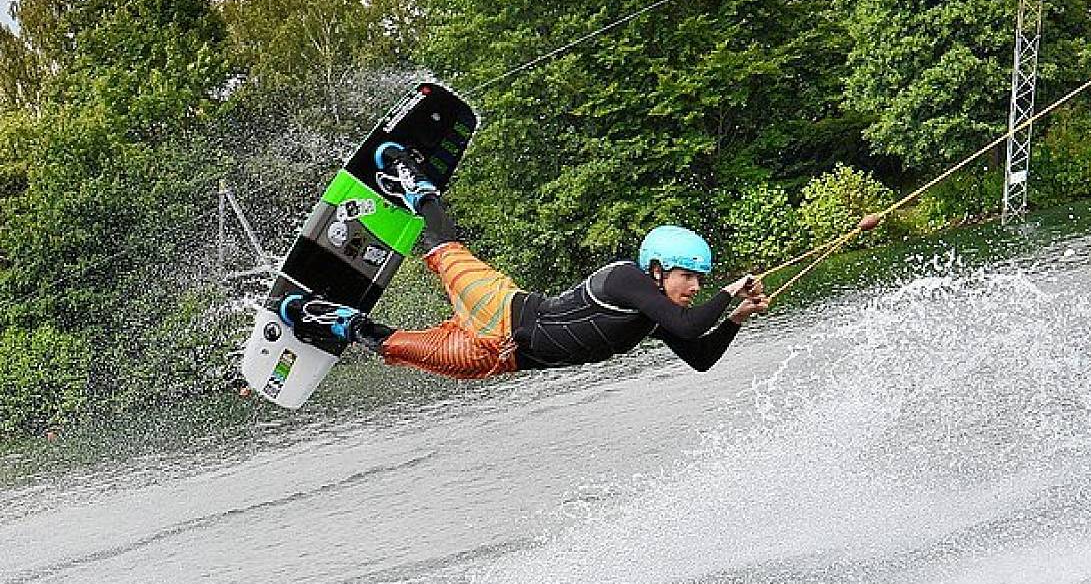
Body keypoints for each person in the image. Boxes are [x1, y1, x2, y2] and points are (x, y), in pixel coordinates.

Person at [280, 146, 770, 378]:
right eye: (688, 277)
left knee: (394, 346)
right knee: (443, 251)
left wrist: (738, 317)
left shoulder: (655, 315)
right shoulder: (627, 279)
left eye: (700, 280)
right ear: (658, 270)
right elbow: (689, 326)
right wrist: (731, 292)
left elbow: (700, 356)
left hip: (496, 356)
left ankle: (326, 318)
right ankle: (412, 182)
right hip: (501, 307)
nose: (694, 288)